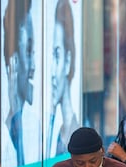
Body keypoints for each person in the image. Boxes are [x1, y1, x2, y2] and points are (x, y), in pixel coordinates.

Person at [3, 0, 35, 166]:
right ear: (13, 60)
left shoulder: (31, 126)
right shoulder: (1, 134)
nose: (34, 67)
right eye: (29, 52)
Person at [47, 0, 79, 158]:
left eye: (57, 55)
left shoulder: (73, 132)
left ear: (67, 61)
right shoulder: (56, 132)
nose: (52, 72)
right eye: (51, 57)